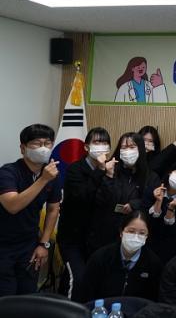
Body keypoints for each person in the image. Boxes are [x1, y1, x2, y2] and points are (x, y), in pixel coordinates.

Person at [0, 124, 61, 296]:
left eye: (47, 143)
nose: (43, 148)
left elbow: (53, 209)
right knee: (6, 296)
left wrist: (44, 244)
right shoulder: (8, 172)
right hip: (3, 244)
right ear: (23, 148)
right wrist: (43, 180)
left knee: (28, 293)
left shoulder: (51, 173)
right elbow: (12, 206)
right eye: (36, 143)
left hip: (29, 243)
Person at [57, 127, 110, 299]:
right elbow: (80, 197)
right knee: (78, 278)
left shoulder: (111, 169)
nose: (101, 146)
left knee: (89, 281)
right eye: (97, 142)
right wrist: (100, 171)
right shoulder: (75, 169)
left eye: (105, 143)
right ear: (86, 147)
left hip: (96, 238)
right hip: (72, 238)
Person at [87, 132, 160, 256]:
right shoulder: (109, 168)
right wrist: (109, 176)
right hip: (105, 232)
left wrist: (135, 204)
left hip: (134, 235)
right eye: (124, 147)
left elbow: (151, 202)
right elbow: (98, 199)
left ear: (140, 149)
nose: (128, 151)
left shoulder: (151, 176)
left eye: (132, 147)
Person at [79, 210, 162, 302]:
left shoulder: (153, 263)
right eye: (131, 231)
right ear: (121, 232)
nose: (135, 237)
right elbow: (86, 294)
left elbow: (153, 300)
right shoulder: (100, 258)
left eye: (142, 233)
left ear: (147, 236)